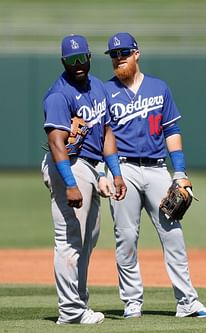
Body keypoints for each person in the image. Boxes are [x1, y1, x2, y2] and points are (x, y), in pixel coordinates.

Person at [101, 32, 206, 319]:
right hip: (123, 168)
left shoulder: (158, 88)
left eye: (124, 53)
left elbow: (172, 131)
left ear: (137, 53)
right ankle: (132, 302)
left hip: (156, 169)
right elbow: (102, 137)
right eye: (114, 54)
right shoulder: (105, 92)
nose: (119, 58)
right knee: (126, 238)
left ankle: (187, 302)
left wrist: (179, 172)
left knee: (173, 235)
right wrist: (106, 172)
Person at [41, 34, 127, 325]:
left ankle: (78, 302)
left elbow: (106, 134)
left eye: (82, 58)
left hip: (91, 166)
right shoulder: (58, 95)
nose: (77, 64)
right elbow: (56, 143)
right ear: (63, 61)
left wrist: (115, 173)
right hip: (70, 166)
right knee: (70, 240)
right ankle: (70, 311)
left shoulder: (98, 88)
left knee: (88, 239)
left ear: (90, 57)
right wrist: (70, 183)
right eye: (71, 60)